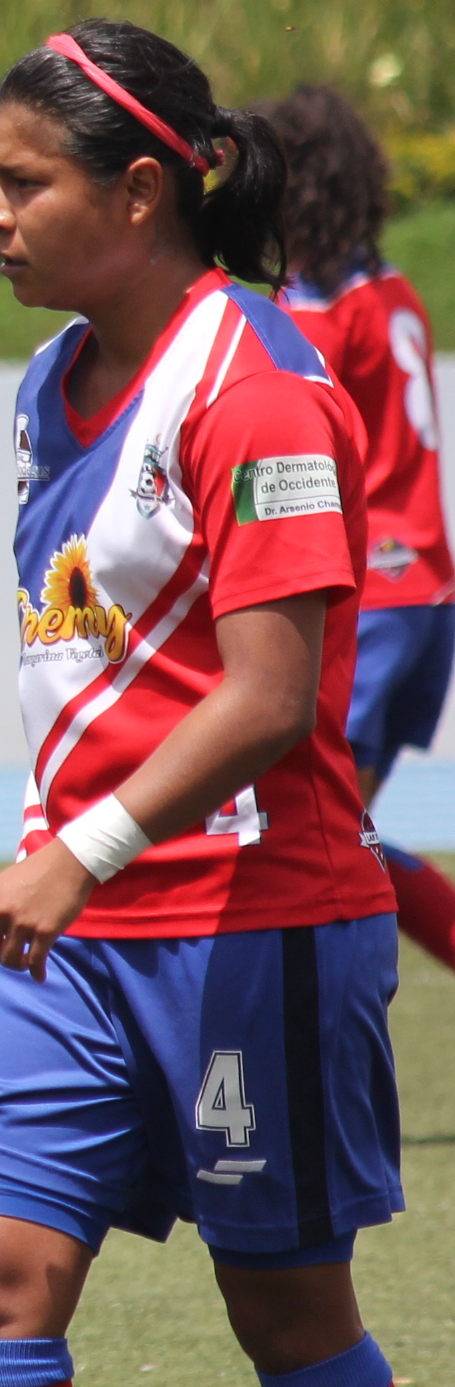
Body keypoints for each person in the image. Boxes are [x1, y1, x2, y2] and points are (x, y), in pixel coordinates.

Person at [0, 23, 411, 1387]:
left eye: (22, 182)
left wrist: (88, 846)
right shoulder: (45, 382)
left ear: (142, 192)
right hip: (72, 935)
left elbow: (272, 698)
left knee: (285, 1311)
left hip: (249, 924)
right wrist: (70, 861)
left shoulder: (263, 384)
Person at [263, 82, 455, 973]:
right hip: (427, 595)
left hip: (371, 602)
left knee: (329, 835)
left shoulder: (315, 311)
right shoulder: (395, 291)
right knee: (343, 825)